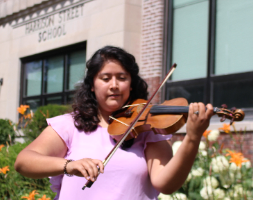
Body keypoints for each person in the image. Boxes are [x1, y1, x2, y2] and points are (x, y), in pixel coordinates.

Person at [14, 46, 214, 200]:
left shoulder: (147, 129)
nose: (114, 85)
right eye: (105, 78)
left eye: (122, 78)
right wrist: (69, 165)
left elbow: (165, 184)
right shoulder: (70, 125)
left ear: (131, 84)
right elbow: (23, 162)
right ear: (92, 85)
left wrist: (193, 138)